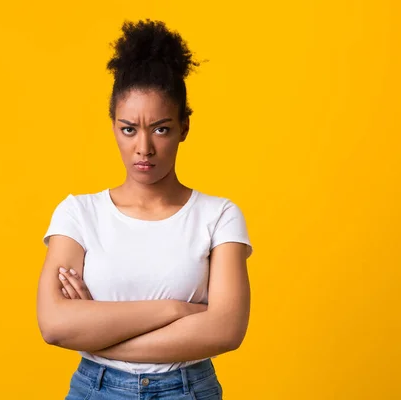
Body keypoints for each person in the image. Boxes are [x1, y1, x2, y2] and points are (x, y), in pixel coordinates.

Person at [37, 18, 253, 400]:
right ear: (113, 127)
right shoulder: (78, 214)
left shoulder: (218, 216)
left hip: (187, 391)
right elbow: (54, 324)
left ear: (184, 127)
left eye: (161, 128)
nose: (144, 148)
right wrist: (176, 310)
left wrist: (100, 336)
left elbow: (226, 330)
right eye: (129, 129)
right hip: (96, 390)